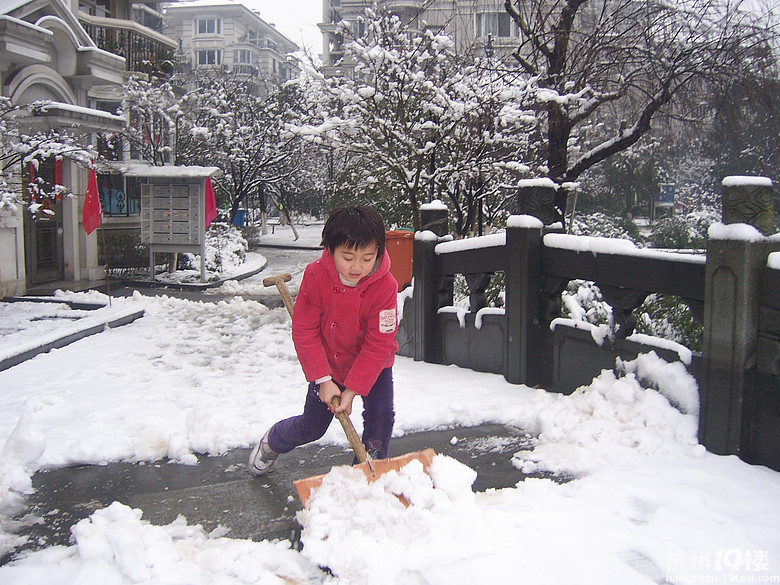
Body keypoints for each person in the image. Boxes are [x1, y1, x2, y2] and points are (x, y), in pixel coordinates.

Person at [248, 205, 399, 476]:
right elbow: (305, 331)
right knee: (312, 427)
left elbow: (379, 342)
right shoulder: (316, 275)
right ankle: (272, 442)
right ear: (330, 248)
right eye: (348, 257)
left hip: (373, 366)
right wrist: (324, 380)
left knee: (380, 421)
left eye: (367, 258)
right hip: (329, 364)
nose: (357, 267)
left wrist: (352, 390)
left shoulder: (385, 285)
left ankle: (365, 476)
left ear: (378, 251)